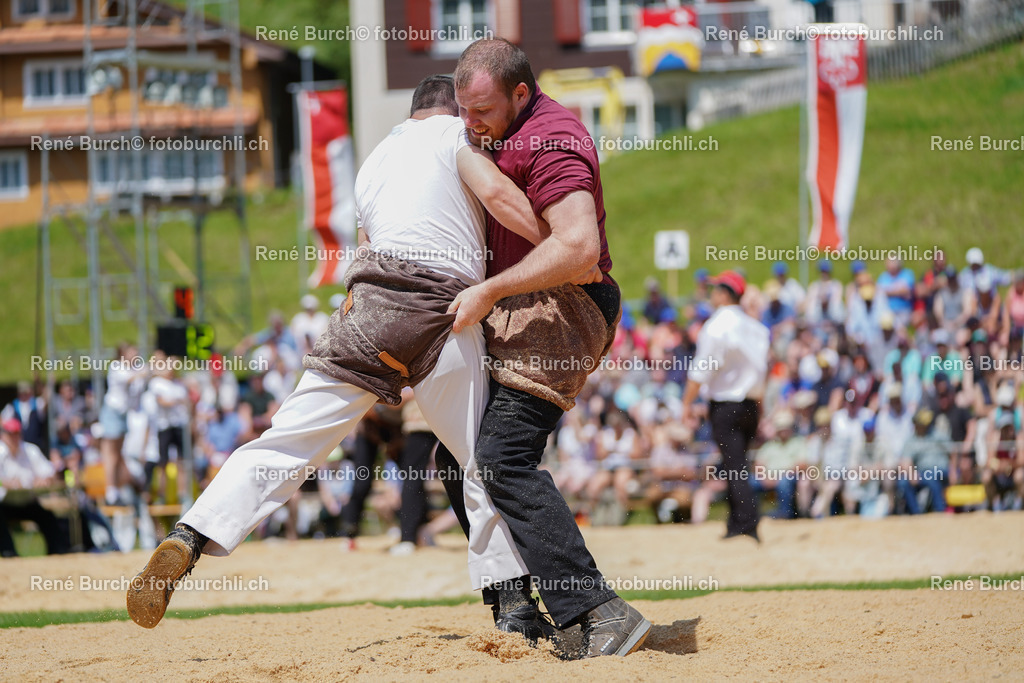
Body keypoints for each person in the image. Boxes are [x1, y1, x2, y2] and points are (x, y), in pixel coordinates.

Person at [125, 75, 555, 632]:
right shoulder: (458, 137)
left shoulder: (372, 163)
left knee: (285, 443)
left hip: (367, 311)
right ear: (451, 109)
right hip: (441, 309)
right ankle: (514, 609)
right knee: (480, 462)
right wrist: (561, 241)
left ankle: (189, 535)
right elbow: (498, 197)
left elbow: (368, 246)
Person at [439, 39, 651, 658]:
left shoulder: (553, 137)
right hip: (530, 307)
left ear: (522, 95)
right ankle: (517, 607)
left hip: (565, 309)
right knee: (457, 455)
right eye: (462, 110)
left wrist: (488, 291)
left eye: (481, 111)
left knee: (502, 457)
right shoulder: (495, 130)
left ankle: (600, 610)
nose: (470, 123)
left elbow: (580, 248)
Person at [682, 270, 770, 541]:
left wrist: (686, 402)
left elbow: (702, 370)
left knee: (735, 465)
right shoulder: (756, 327)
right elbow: (761, 369)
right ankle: (736, 521)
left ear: (724, 294)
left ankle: (746, 522)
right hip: (752, 404)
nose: (711, 294)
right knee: (737, 462)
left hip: (726, 405)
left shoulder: (716, 325)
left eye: (715, 290)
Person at [0, 418, 68, 557]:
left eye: (16, 433)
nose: (14, 437)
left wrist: (44, 480)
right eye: (10, 434)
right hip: (5, 504)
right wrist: (6, 482)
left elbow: (49, 473)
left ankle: (58, 552)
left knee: (47, 516)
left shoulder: (30, 450)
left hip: (27, 502)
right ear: (3, 435)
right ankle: (9, 553)